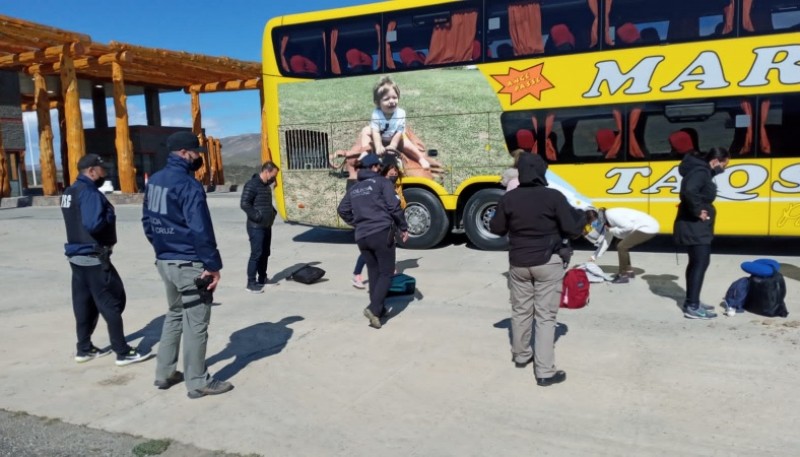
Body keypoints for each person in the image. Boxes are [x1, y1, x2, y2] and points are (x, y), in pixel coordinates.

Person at [142, 131, 233, 398]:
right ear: (184, 153)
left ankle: (165, 373)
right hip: (189, 263)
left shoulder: (156, 181)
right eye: (196, 153)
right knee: (196, 323)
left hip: (165, 261)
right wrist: (212, 265)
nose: (198, 158)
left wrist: (162, 248)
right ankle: (197, 381)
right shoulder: (188, 185)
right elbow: (200, 230)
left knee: (174, 314)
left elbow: (147, 222)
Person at [489, 153, 585, 387]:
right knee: (545, 316)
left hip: (519, 263)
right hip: (548, 263)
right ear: (541, 172)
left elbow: (496, 228)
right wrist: (581, 217)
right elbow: (572, 229)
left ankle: (521, 355)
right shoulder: (553, 196)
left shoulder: (509, 199)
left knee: (521, 311)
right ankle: (544, 371)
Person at [61, 154, 153, 367]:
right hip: (93, 256)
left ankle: (84, 348)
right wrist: (110, 215)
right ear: (92, 171)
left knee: (84, 303)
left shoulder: (70, 191)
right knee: (111, 301)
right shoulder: (89, 192)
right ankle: (122, 352)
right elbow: (93, 224)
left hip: (76, 257)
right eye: (102, 169)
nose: (105, 173)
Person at [338, 154, 409, 329]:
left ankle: (379, 309)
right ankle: (373, 309)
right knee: (386, 273)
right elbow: (394, 206)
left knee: (373, 272)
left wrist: (356, 223)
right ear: (375, 167)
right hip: (381, 232)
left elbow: (342, 209)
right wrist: (403, 227)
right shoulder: (382, 183)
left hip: (362, 236)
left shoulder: (355, 188)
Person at [674, 147, 731, 320]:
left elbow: (695, 190)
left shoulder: (702, 171)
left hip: (696, 227)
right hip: (695, 227)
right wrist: (699, 210)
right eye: (724, 164)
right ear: (715, 160)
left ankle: (693, 300)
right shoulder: (700, 171)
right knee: (700, 263)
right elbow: (689, 191)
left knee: (696, 263)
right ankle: (692, 306)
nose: (724, 168)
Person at [350, 158, 406, 289]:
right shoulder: (379, 185)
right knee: (370, 251)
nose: (393, 176)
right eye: (390, 174)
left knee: (390, 245)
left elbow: (400, 203)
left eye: (395, 173)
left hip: (390, 222)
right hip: (379, 223)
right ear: (384, 173)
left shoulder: (396, 185)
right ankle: (357, 274)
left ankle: (390, 270)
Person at [584, 207, 660, 284]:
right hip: (640, 226)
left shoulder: (611, 216)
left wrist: (611, 230)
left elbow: (628, 227)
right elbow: (606, 240)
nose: (592, 225)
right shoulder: (605, 219)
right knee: (619, 243)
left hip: (647, 227)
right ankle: (629, 271)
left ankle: (623, 276)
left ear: (595, 217)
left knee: (621, 246)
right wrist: (594, 256)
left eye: (591, 222)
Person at [240, 161, 280, 293]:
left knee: (265, 253)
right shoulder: (252, 185)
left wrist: (272, 213)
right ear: (267, 171)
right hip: (256, 226)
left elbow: (266, 203)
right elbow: (245, 204)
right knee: (256, 254)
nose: (274, 178)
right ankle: (250, 283)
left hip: (267, 225)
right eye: (273, 174)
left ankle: (262, 278)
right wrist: (257, 216)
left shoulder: (266, 186)